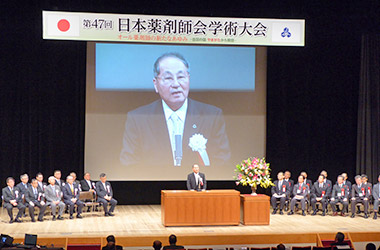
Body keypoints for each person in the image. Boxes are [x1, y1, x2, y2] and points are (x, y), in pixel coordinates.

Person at [120, 53, 230, 168]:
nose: (176, 84)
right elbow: (129, 162)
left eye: (181, 77)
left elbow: (222, 160)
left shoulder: (212, 115)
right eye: (168, 78)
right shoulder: (138, 118)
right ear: (155, 84)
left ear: (189, 79)